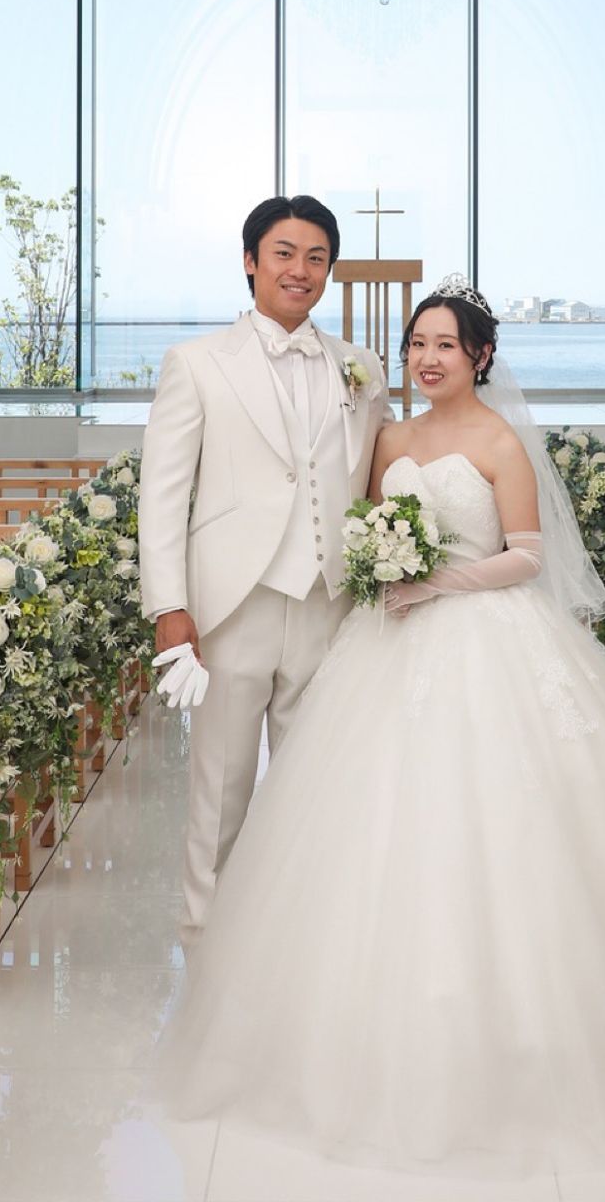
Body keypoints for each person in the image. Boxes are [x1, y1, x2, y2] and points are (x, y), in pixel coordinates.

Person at [149, 275, 605, 1193]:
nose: (426, 359)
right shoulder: (389, 438)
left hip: (486, 638)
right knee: (365, 829)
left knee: (513, 826)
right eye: (417, 344)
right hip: (385, 644)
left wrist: (435, 582)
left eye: (445, 345)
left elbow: (528, 556)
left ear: (481, 356)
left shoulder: (501, 441)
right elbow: (363, 521)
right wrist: (382, 568)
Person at [138, 194, 392, 951]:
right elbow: (163, 494)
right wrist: (169, 607)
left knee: (318, 783)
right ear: (251, 261)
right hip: (232, 607)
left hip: (330, 602)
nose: (300, 270)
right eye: (284, 253)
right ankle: (204, 934)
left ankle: (305, 940)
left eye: (316, 257)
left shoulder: (361, 367)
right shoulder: (196, 363)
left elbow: (370, 478)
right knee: (221, 786)